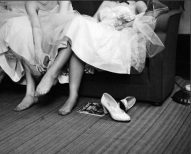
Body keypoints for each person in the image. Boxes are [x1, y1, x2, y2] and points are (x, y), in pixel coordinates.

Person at [34, 0, 167, 115]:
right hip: (99, 33)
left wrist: (124, 24)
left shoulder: (137, 3)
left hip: (117, 38)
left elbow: (149, 22)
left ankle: (52, 75)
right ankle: (72, 96)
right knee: (79, 29)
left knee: (79, 37)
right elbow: (93, 20)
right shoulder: (106, 2)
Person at [0, 1, 81, 112]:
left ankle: (67, 90)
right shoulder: (31, 3)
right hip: (44, 31)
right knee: (25, 32)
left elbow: (60, 27)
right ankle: (30, 94)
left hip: (63, 32)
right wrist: (39, 53)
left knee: (74, 30)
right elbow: (36, 27)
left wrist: (52, 58)